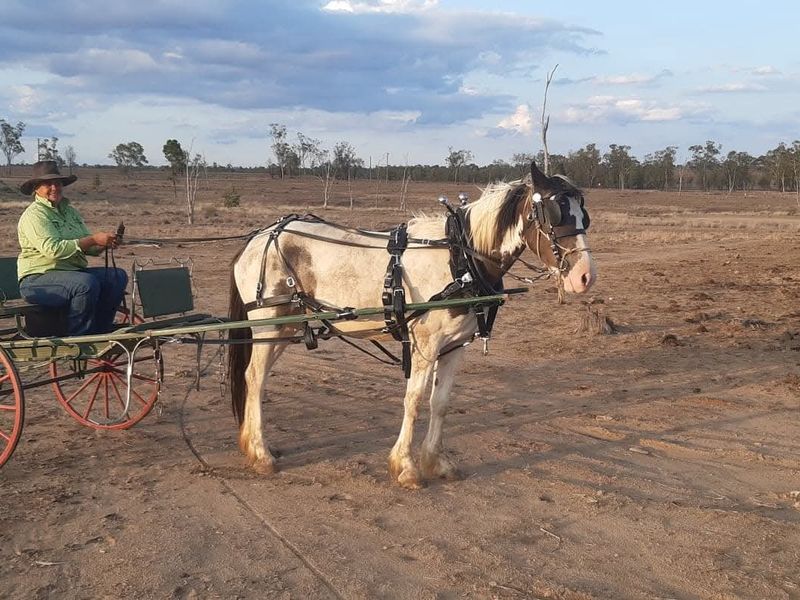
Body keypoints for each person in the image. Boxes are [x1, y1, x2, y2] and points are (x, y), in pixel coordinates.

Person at [16, 160, 128, 335]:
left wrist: (104, 243)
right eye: (48, 184)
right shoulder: (34, 215)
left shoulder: (70, 212)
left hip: (72, 275)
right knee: (85, 284)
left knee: (117, 276)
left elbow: (88, 247)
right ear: (36, 188)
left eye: (58, 183)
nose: (54, 187)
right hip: (38, 280)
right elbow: (53, 250)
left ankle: (101, 331)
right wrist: (92, 239)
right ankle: (79, 336)